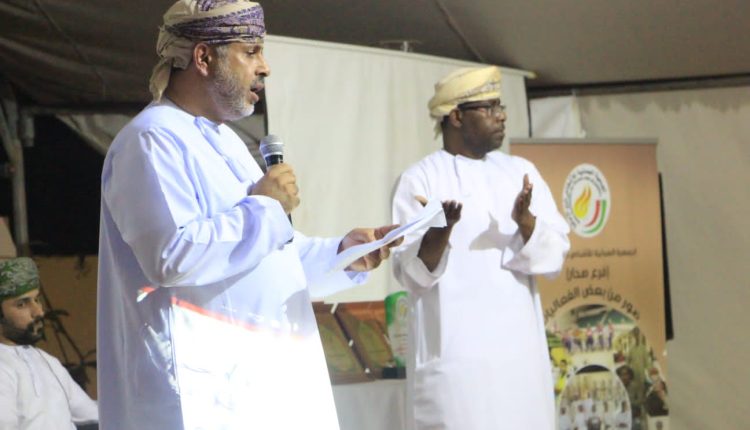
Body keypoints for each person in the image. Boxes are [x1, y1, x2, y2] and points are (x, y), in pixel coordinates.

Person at [97, 1, 401, 429]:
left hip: (263, 385)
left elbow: (265, 257)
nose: (265, 68)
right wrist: (265, 206)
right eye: (251, 51)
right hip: (206, 396)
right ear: (204, 58)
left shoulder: (225, 140)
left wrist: (344, 253)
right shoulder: (151, 139)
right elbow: (171, 257)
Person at [391, 66, 571, 429]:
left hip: (520, 366)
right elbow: (411, 275)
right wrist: (441, 231)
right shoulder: (420, 179)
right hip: (458, 371)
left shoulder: (521, 171)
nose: (501, 116)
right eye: (489, 108)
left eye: (500, 107)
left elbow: (555, 254)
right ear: (456, 117)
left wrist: (526, 221)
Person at [0, 257, 98, 429]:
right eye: (22, 304)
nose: (38, 312)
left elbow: (92, 414)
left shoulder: (47, 361)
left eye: (37, 300)